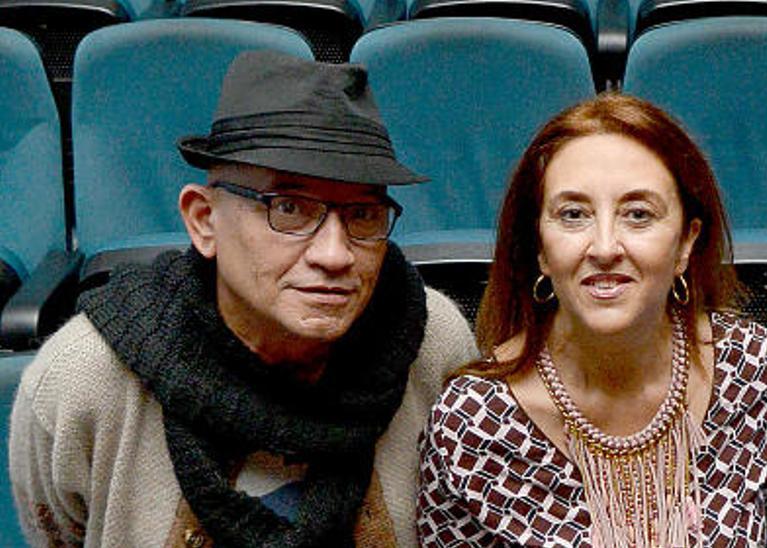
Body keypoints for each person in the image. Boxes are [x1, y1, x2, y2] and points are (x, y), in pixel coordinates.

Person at [8, 51, 478, 546]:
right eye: (289, 207)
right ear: (204, 221)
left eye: (363, 215)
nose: (336, 254)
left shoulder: (433, 343)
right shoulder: (85, 380)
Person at [416, 93, 767, 547]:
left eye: (638, 215)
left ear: (686, 243)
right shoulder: (473, 423)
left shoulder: (754, 369)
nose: (604, 247)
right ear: (539, 246)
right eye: (573, 215)